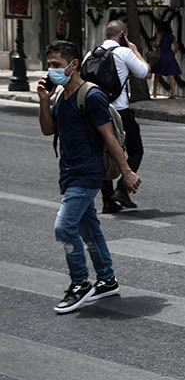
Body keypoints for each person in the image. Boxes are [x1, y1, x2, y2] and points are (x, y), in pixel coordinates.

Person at [37, 40, 141, 313]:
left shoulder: (91, 96)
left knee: (64, 227)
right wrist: (44, 102)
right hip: (68, 172)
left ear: (73, 65)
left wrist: (127, 172)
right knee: (89, 228)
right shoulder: (61, 96)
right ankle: (107, 280)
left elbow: (109, 137)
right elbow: (49, 130)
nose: (51, 71)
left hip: (87, 173)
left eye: (56, 65)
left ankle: (80, 284)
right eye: (49, 65)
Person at [85, 21, 149, 213]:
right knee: (136, 149)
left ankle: (107, 200)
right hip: (120, 111)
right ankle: (121, 189)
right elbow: (145, 72)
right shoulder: (124, 53)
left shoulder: (91, 54)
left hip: (97, 110)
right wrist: (136, 51)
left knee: (103, 152)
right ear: (122, 34)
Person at [149, 21, 182, 99]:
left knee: (157, 74)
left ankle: (154, 92)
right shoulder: (171, 36)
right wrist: (172, 53)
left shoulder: (159, 34)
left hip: (160, 55)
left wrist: (153, 45)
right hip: (169, 55)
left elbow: (157, 43)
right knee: (171, 75)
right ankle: (173, 93)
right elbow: (177, 47)